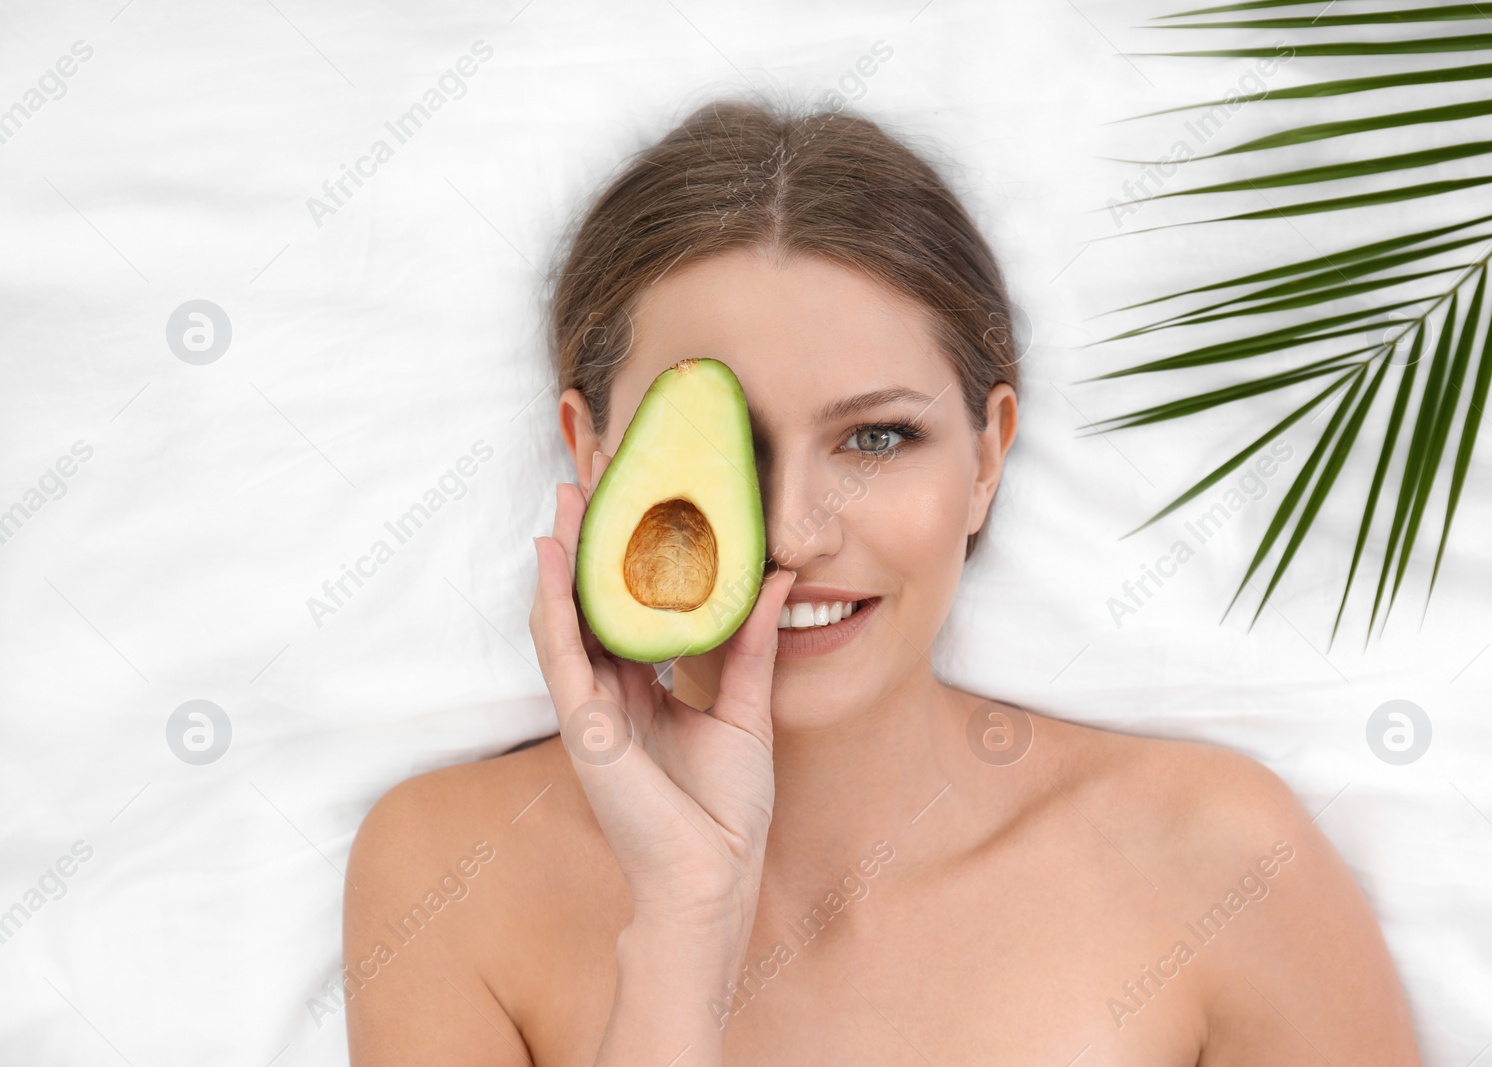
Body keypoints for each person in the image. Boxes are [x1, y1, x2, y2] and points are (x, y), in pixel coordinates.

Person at [343, 96, 1424, 1065]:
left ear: (987, 455)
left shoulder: (1218, 854)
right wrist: (683, 917)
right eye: (724, 444)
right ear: (592, 457)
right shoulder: (445, 871)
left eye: (874, 437)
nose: (795, 533)